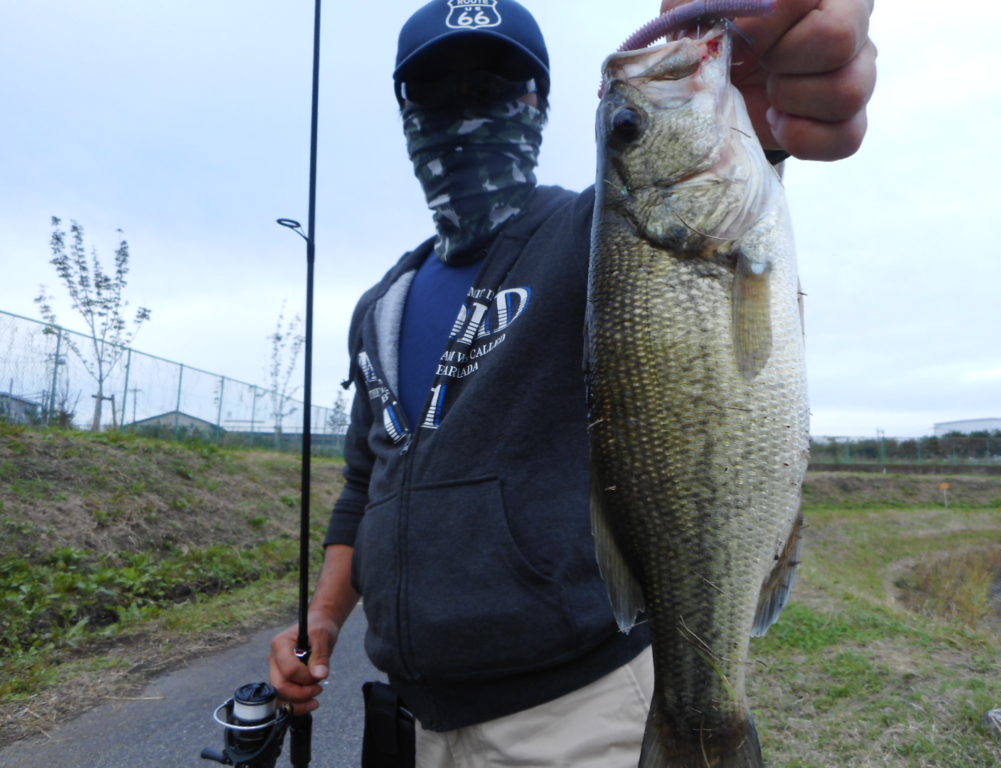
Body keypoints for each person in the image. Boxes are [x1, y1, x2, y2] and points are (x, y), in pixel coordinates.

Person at [269, 0, 877, 764]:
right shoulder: (382, 304)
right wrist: (324, 618)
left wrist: (760, 96)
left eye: (495, 86)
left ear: (540, 106)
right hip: (421, 724)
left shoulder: (596, 233)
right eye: (435, 92)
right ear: (404, 112)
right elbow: (366, 479)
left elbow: (704, 185)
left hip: (578, 719)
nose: (464, 113)